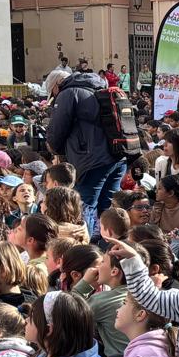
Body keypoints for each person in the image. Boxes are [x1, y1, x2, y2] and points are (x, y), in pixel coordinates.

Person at [45, 62, 124, 237]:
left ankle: (85, 250)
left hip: (92, 159)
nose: (54, 97)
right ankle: (111, 244)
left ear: (57, 85)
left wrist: (55, 150)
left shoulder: (69, 93)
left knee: (86, 205)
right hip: (117, 155)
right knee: (108, 207)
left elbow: (57, 130)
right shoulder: (98, 87)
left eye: (52, 93)